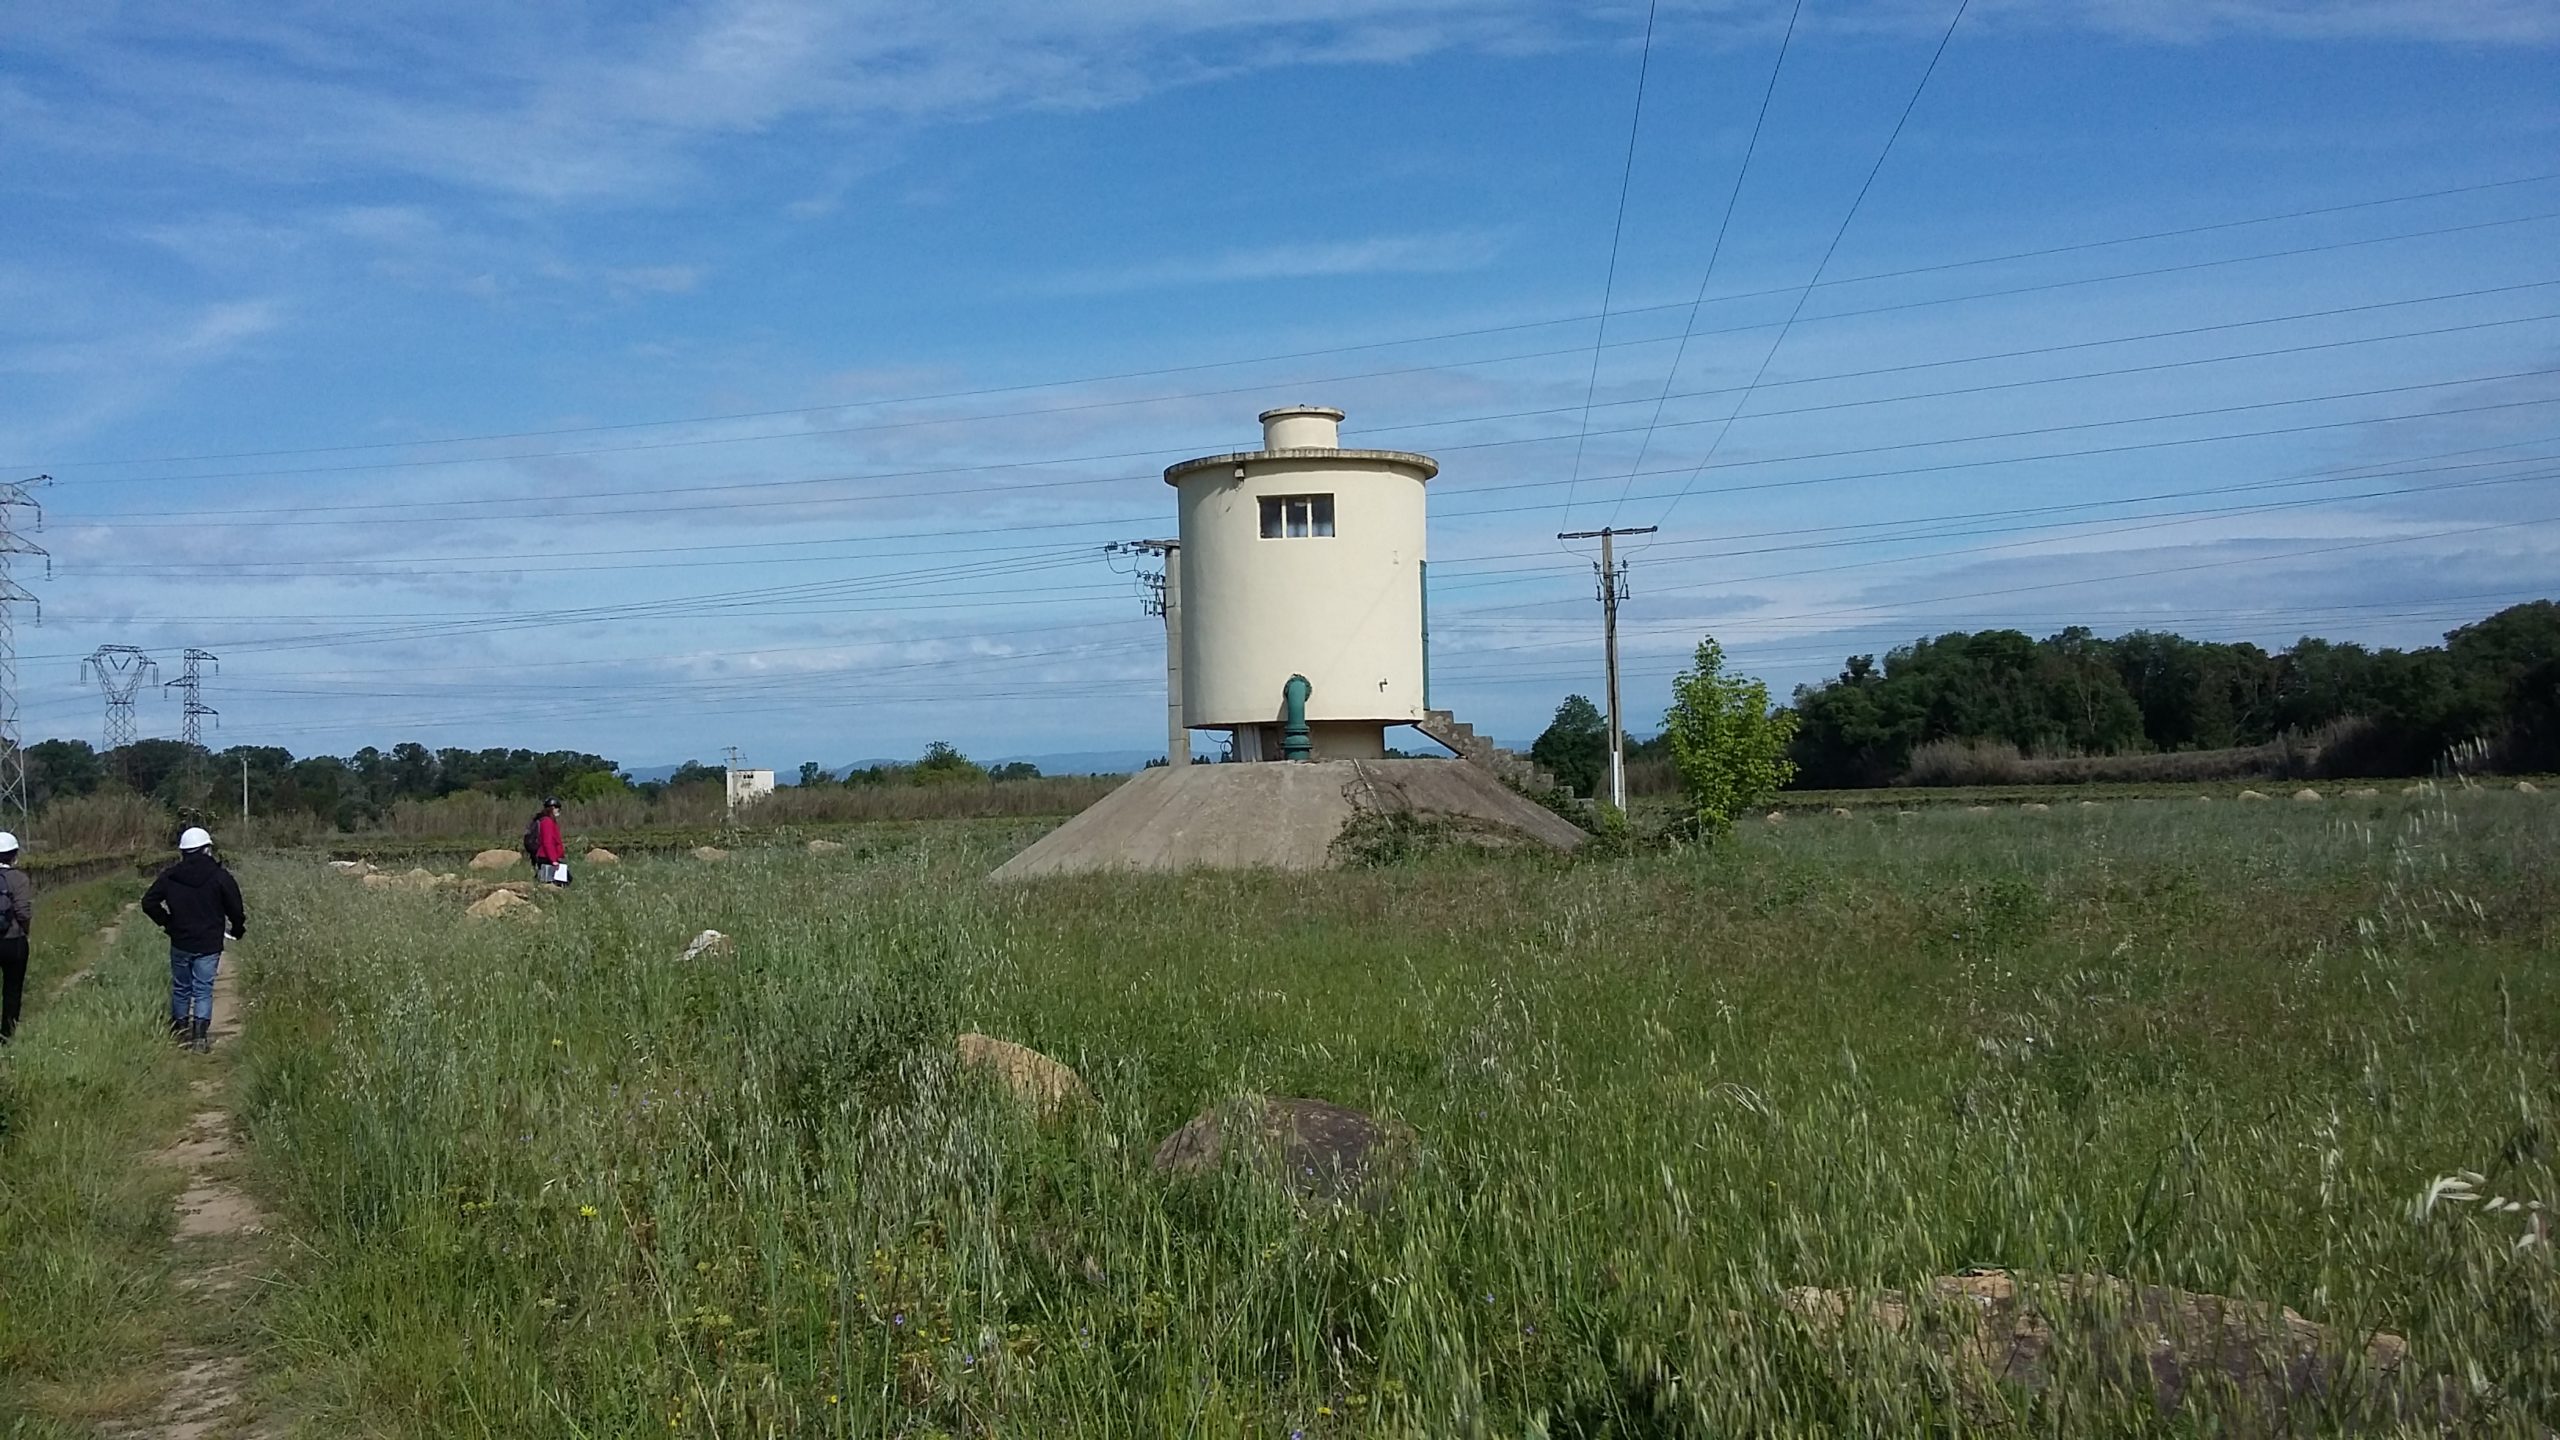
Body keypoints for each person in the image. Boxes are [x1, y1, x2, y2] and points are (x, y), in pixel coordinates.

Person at [141, 826, 247, 1054]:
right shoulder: (220, 876)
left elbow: (148, 903)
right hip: (209, 943)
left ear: (183, 852)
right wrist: (237, 929)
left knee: (181, 987)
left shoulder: (170, 876)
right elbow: (235, 908)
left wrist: (167, 923)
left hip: (180, 940)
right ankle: (200, 1037)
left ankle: (180, 1032)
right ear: (207, 849)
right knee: (203, 989)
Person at [0, 831, 29, 1045]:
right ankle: (7, 1034)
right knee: (12, 988)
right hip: (13, 940)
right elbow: (23, 912)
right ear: (14, 855)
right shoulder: (19, 879)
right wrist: (25, 931)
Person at [527, 797, 568, 887]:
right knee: (561, 881)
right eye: (557, 808)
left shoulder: (548, 821)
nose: (558, 811)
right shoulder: (547, 822)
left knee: (549, 881)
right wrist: (553, 861)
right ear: (552, 808)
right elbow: (547, 843)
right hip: (546, 857)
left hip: (547, 857)